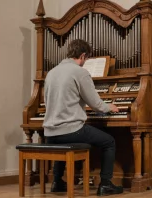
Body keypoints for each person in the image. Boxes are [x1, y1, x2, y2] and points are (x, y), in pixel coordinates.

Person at [43, 39, 124, 196]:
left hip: (50, 132)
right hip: (71, 130)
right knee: (109, 142)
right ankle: (105, 184)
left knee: (61, 139)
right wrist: (109, 107)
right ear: (83, 55)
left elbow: (49, 102)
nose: (85, 62)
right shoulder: (80, 72)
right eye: (86, 59)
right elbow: (95, 103)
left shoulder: (51, 73)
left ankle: (57, 181)